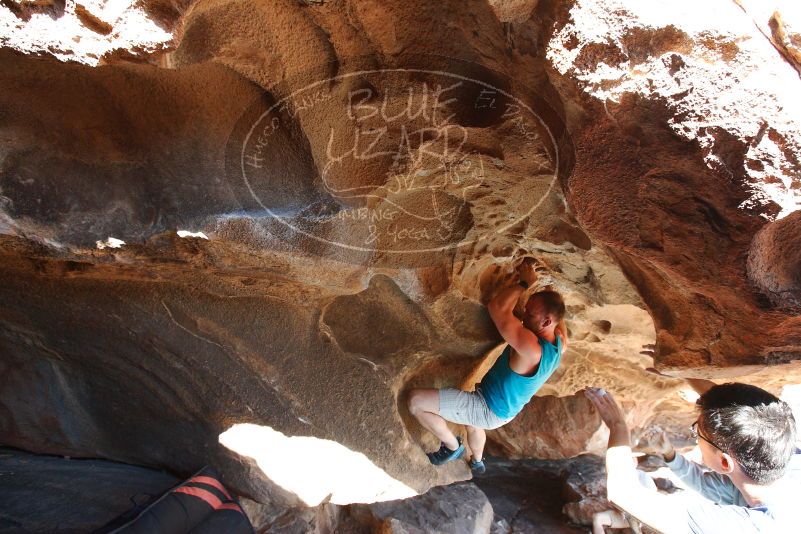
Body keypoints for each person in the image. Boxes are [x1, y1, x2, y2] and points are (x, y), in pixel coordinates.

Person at [407, 258, 567, 473]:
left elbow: (498, 308)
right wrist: (551, 292)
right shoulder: (560, 344)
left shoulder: (531, 347)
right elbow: (559, 317)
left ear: (547, 322)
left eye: (530, 314)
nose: (523, 316)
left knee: (416, 401)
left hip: (486, 407)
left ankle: (451, 447)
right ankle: (478, 461)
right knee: (473, 423)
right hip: (505, 411)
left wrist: (524, 283)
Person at [585, 380, 800, 533]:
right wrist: (682, 370)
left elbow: (625, 495)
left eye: (697, 431)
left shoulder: (745, 526)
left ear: (725, 461)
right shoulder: (778, 452)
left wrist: (618, 426)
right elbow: (739, 410)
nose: (696, 435)